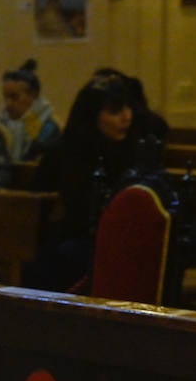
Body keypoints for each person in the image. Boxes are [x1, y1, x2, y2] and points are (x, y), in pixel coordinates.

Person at [25, 72, 164, 291]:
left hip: (120, 239)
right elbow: (36, 203)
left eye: (128, 108)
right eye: (115, 111)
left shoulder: (135, 151)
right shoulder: (65, 152)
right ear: (92, 115)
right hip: (77, 236)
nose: (126, 117)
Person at [0, 59, 61, 161]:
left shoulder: (48, 129)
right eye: (5, 97)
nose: (8, 104)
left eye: (14, 97)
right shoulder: (0, 126)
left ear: (33, 95)